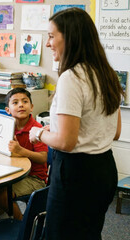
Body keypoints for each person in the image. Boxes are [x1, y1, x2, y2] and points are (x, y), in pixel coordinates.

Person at [28, 8, 123, 239]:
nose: (48, 43)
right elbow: (116, 132)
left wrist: (39, 134)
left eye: (51, 36)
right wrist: (57, 131)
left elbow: (66, 142)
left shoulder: (72, 77)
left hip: (76, 173)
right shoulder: (107, 74)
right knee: (89, 233)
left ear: (69, 37)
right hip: (104, 169)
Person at [0, 88, 48, 220]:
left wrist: (21, 151)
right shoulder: (4, 126)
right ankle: (5, 218)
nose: (21, 105)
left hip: (33, 178)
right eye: (15, 102)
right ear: (7, 110)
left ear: (31, 107)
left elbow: (43, 157)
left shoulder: (37, 129)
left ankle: (21, 227)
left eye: (25, 101)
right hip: (8, 172)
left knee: (2, 195)